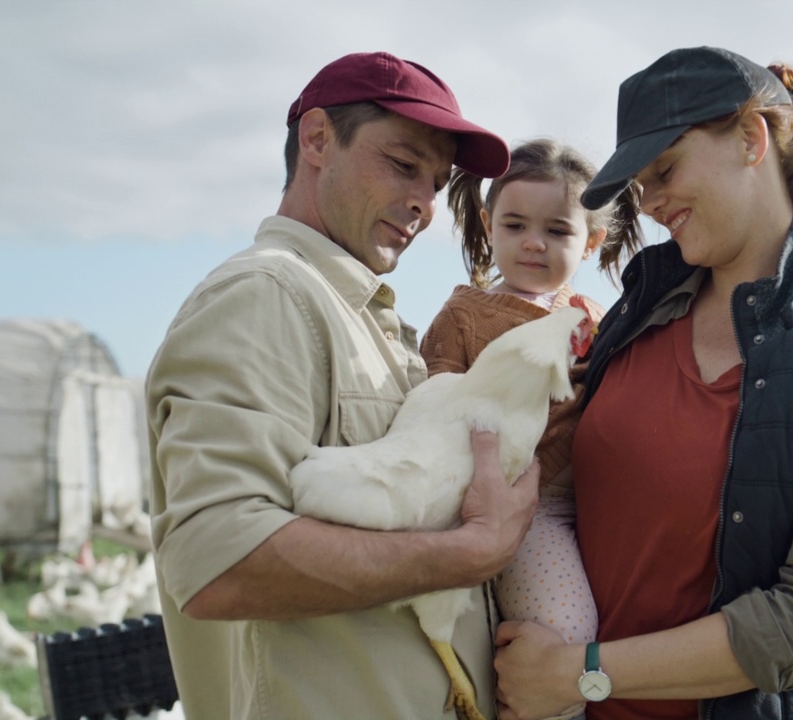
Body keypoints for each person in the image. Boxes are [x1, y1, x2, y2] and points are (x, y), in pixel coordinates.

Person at [492, 46, 793, 720]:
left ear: (752, 138)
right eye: (639, 186)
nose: (651, 204)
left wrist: (576, 674)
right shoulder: (637, 311)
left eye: (664, 171)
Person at [145, 51, 540, 720]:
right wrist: (468, 554)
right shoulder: (264, 294)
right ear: (319, 140)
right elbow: (218, 558)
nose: (424, 201)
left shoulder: (365, 319)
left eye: (438, 182)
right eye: (403, 163)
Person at [420, 138, 642, 719]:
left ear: (592, 240)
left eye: (558, 231)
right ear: (489, 225)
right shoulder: (466, 315)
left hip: (597, 504)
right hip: (524, 503)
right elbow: (434, 405)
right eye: (515, 225)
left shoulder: (596, 319)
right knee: (566, 634)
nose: (534, 243)